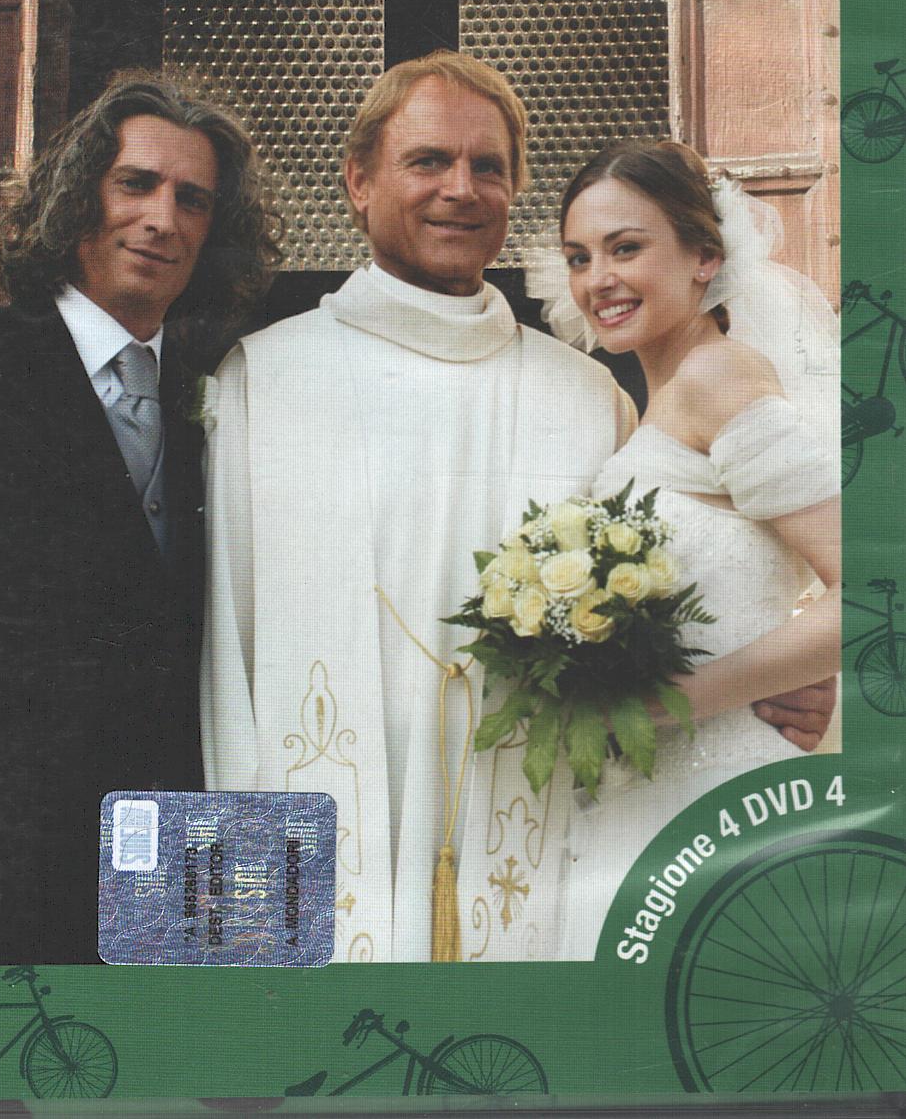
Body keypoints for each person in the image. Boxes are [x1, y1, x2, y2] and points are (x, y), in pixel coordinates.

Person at [201, 54, 831, 962]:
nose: (461, 189)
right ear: (358, 182)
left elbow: (705, 572)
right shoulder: (262, 381)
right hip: (324, 851)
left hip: (559, 854)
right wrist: (235, 931)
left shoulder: (588, 395)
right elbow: (222, 667)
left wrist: (787, 671)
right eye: (428, 160)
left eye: (488, 166)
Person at [0, 71, 279, 964]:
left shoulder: (225, 388)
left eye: (193, 199)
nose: (162, 219)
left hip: (182, 839)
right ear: (78, 198)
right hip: (11, 850)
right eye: (135, 184)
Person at [544, 139, 841, 960]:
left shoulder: (720, 379)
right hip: (649, 802)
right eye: (579, 256)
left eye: (625, 248)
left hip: (719, 798)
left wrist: (675, 702)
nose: (598, 279)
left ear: (705, 257)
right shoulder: (653, 404)